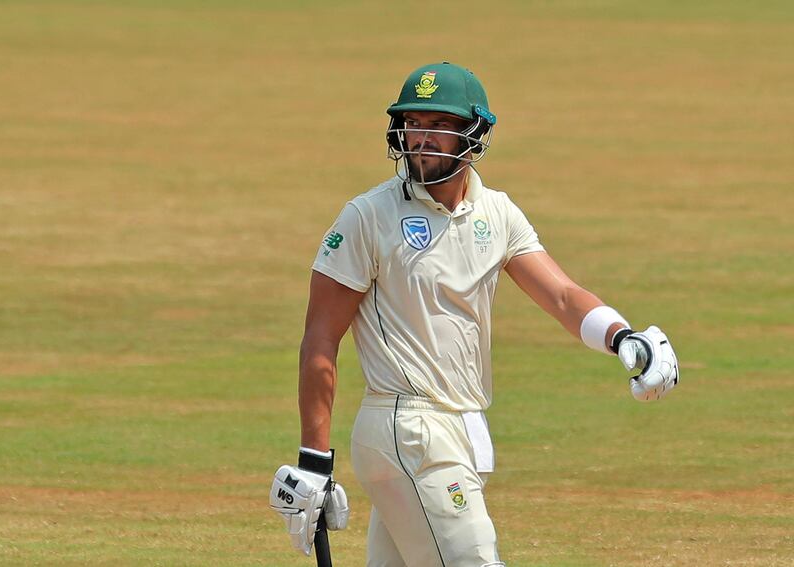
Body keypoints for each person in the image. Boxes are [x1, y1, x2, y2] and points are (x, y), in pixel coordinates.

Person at [270, 61, 679, 567]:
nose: (423, 138)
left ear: (474, 132)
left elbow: (562, 296)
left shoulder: (497, 213)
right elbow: (320, 341)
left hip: (458, 426)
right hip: (408, 429)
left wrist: (624, 337)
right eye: (414, 123)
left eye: (440, 125)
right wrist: (314, 458)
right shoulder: (367, 216)